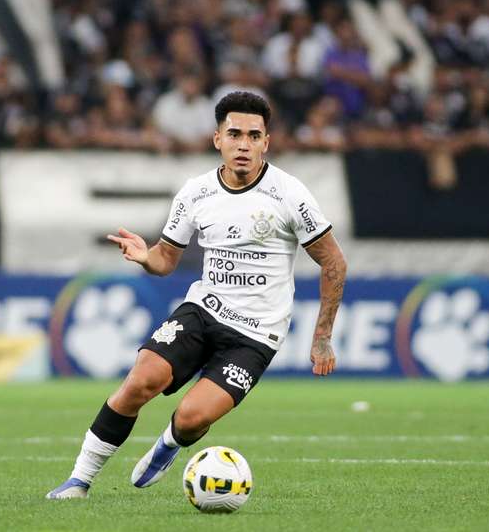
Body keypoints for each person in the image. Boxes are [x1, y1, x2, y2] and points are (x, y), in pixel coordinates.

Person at [46, 91, 347, 499]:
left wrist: (323, 336)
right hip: (203, 312)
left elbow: (334, 263)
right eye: (234, 134)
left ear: (266, 142)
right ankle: (78, 481)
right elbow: (165, 259)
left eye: (253, 136)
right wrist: (145, 256)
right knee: (139, 382)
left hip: (255, 334)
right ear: (217, 139)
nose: (243, 144)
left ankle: (169, 444)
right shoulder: (196, 193)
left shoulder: (290, 194)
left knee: (190, 418)